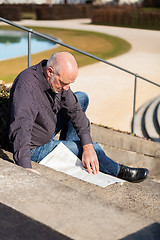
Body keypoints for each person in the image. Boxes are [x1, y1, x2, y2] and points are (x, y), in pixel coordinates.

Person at [8, 52, 149, 182]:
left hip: (45, 126)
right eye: (64, 83)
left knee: (81, 98)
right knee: (96, 149)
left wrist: (87, 146)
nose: (67, 88)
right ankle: (119, 171)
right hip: (34, 146)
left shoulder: (57, 81)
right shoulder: (26, 86)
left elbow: (75, 110)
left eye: (70, 84)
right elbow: (20, 127)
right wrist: (25, 166)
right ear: (50, 71)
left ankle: (71, 151)